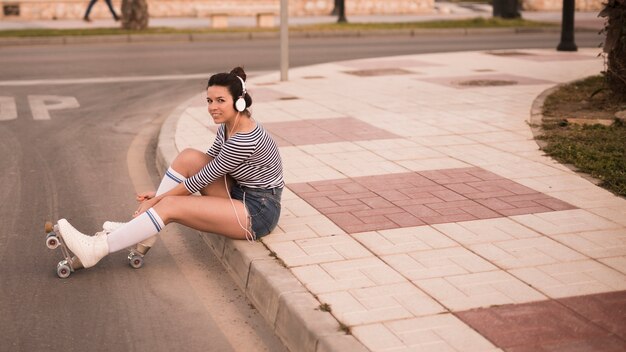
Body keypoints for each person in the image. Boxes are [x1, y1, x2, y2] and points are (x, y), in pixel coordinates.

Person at [57, 67, 284, 269]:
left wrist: (157, 200)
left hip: (258, 211)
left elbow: (201, 180)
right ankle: (143, 230)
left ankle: (97, 249)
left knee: (171, 205)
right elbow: (207, 162)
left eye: (220, 101)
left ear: (239, 102)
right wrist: (158, 196)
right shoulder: (229, 126)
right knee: (188, 157)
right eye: (209, 101)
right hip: (237, 193)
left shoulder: (243, 140)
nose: (212, 107)